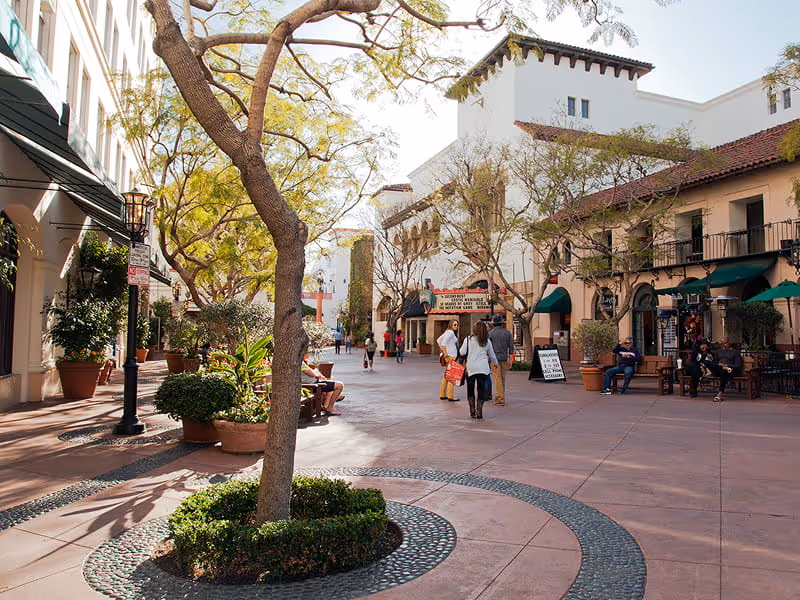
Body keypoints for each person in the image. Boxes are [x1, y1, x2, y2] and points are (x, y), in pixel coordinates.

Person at [459, 320, 499, 419]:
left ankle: (472, 410)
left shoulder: (468, 339)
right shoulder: (487, 341)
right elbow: (492, 355)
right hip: (483, 368)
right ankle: (479, 411)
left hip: (471, 368)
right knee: (481, 389)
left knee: (470, 389)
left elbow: (462, 352)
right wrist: (496, 363)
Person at [488, 314, 514, 405]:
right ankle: (500, 395)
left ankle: (501, 398)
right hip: (504, 358)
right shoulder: (507, 333)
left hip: (494, 358)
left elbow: (488, 347)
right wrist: (510, 359)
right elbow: (511, 346)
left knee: (497, 378)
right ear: (502, 323)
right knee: (503, 378)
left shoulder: (491, 333)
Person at [436, 320, 460, 401]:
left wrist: (444, 351)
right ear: (451, 325)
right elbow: (443, 343)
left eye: (457, 325)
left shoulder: (447, 332)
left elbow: (438, 340)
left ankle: (442, 394)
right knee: (451, 376)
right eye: (455, 325)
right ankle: (450, 396)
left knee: (446, 375)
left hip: (449, 356)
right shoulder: (450, 333)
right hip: (451, 356)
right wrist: (445, 352)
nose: (456, 326)